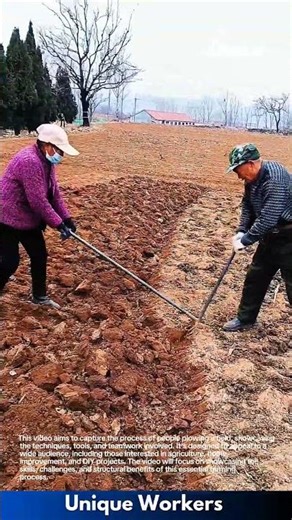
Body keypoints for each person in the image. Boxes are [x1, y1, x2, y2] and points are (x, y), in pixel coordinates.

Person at [0, 123, 79, 309]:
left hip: (27, 218)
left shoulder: (46, 162)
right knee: (10, 261)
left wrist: (67, 219)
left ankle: (39, 296)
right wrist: (58, 224)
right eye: (59, 150)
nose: (61, 154)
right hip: (6, 217)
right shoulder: (30, 161)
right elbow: (38, 201)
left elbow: (54, 194)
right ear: (46, 145)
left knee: (39, 255)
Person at [223, 143, 292, 332]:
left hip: (289, 237)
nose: (238, 175)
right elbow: (248, 206)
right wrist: (241, 230)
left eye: (239, 170)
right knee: (256, 277)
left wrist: (245, 240)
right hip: (271, 237)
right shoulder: (252, 181)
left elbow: (269, 217)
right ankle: (245, 319)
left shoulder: (275, 177)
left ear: (251, 164)